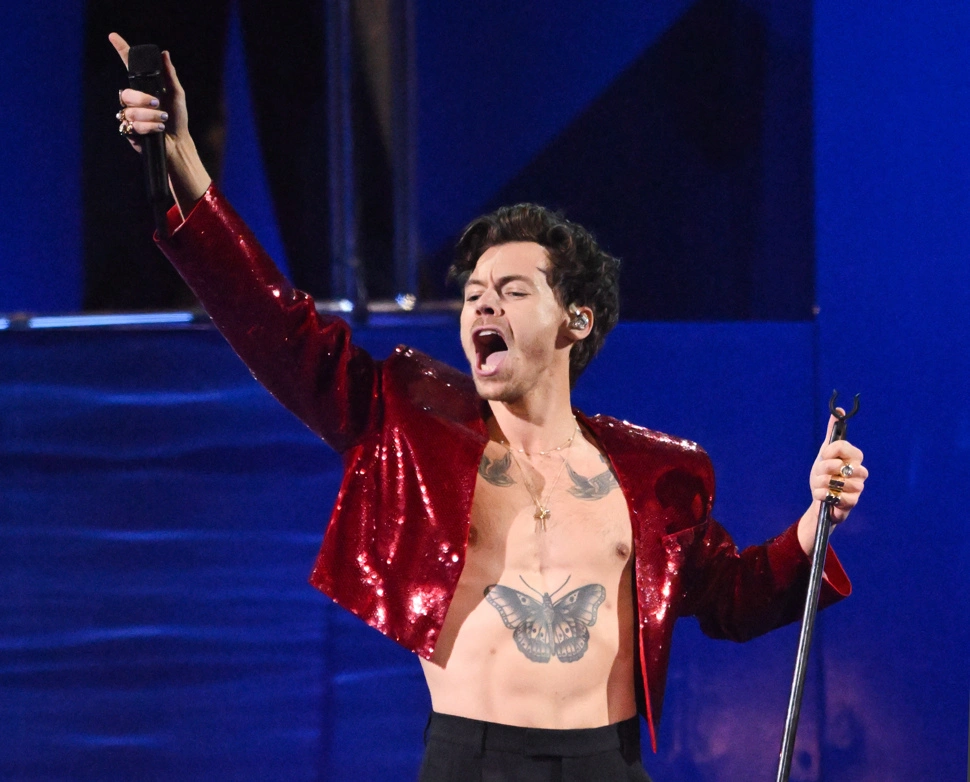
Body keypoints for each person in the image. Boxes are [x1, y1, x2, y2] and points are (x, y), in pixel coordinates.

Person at [110, 33, 866, 781]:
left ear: (576, 320)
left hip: (607, 763)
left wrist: (814, 515)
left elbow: (734, 595)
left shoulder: (654, 477)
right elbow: (275, 326)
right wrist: (183, 156)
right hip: (471, 763)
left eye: (509, 292)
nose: (481, 307)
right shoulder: (408, 428)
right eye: (472, 296)